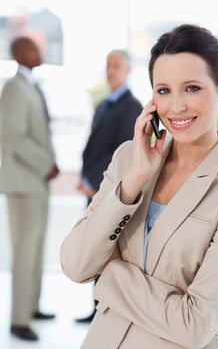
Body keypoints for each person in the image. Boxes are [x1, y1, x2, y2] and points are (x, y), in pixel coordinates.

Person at [60, 23, 218, 349]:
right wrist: (134, 180)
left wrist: (107, 274)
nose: (177, 106)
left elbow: (194, 325)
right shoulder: (129, 159)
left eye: (192, 88)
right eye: (164, 90)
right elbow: (75, 264)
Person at [76, 49, 142, 322]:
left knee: (110, 250)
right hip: (93, 187)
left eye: (116, 66)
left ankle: (107, 311)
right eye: (108, 65)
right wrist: (83, 178)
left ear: (127, 71)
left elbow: (123, 152)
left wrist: (93, 180)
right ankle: (95, 309)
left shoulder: (133, 107)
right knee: (94, 248)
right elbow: (92, 148)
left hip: (112, 190)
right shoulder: (103, 105)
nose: (111, 70)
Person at [0, 37, 59, 341]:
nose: (41, 51)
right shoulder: (13, 89)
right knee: (24, 253)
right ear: (20, 53)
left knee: (35, 251)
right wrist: (46, 164)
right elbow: (16, 139)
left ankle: (31, 306)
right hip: (24, 183)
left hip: (36, 183)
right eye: (36, 48)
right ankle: (18, 319)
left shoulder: (30, 85)